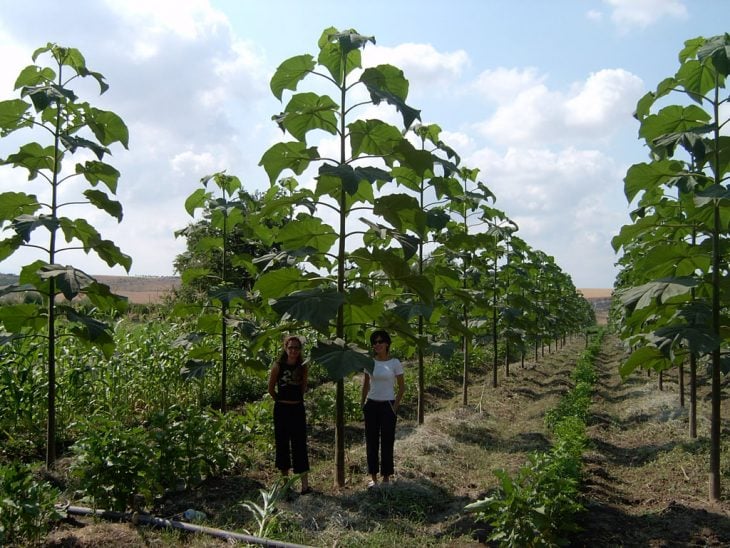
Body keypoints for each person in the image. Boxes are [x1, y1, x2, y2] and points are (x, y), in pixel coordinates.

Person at [267, 334, 311, 494]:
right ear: (285, 348)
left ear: (300, 350)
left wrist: (294, 400)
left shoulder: (303, 366)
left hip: (297, 409)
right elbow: (271, 389)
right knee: (283, 445)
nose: (293, 351)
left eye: (296, 348)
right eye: (290, 347)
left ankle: (305, 485)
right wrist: (281, 400)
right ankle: (286, 485)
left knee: (300, 445)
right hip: (282, 410)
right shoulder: (278, 366)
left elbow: (303, 387)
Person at [361, 329, 405, 488]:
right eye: (375, 342)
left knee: (387, 441)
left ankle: (386, 477)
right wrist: (363, 404)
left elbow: (401, 387)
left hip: (388, 405)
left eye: (380, 341)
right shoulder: (370, 362)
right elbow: (365, 384)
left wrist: (395, 406)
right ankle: (373, 477)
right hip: (371, 404)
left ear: (387, 343)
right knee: (371, 442)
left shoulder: (395, 363)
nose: (377, 344)